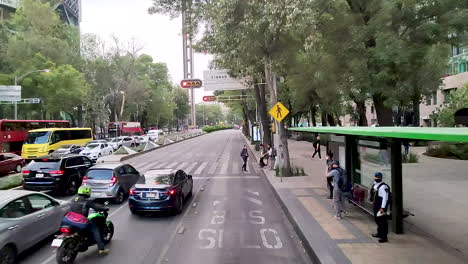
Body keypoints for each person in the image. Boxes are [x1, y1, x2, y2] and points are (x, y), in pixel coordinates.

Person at [65, 186, 110, 255]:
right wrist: (105, 209)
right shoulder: (87, 201)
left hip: (69, 219)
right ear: (86, 192)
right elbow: (97, 207)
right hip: (80, 221)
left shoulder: (73, 199)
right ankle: (101, 249)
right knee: (96, 229)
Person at [370, 172, 390, 243]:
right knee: (377, 219)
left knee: (382, 221)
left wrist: (382, 208)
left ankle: (384, 237)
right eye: (376, 177)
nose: (377, 179)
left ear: (381, 178)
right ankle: (379, 233)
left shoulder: (383, 187)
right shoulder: (375, 184)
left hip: (381, 206)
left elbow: (385, 198)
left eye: (378, 178)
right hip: (376, 204)